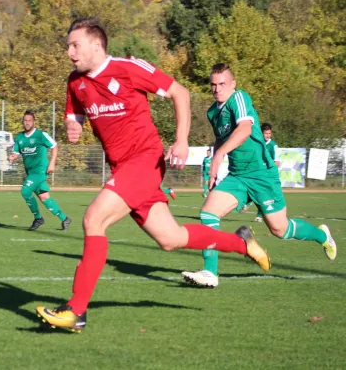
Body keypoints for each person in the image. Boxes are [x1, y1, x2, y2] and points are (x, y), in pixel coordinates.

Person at [35, 18, 271, 333]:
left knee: (93, 219)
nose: (69, 52)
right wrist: (73, 126)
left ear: (96, 44)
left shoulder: (128, 68)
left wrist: (182, 140)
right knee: (170, 239)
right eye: (68, 46)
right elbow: (73, 114)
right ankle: (242, 243)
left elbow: (180, 93)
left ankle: (76, 310)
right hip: (123, 167)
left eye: (75, 45)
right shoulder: (74, 82)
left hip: (144, 161)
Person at [181, 63, 337, 288]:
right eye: (213, 85)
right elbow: (220, 139)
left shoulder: (239, 98)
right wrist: (217, 164)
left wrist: (218, 157)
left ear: (232, 84)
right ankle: (210, 272)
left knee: (279, 229)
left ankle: (322, 236)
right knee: (208, 213)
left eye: (222, 84)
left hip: (262, 175)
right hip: (238, 175)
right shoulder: (213, 112)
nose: (217, 89)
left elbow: (244, 129)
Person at [8, 111, 71, 231]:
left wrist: (52, 163)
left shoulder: (41, 135)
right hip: (30, 172)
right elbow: (16, 152)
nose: (27, 123)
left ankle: (38, 218)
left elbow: (54, 146)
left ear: (34, 122)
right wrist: (12, 157)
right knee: (44, 197)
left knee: (25, 191)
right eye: (25, 120)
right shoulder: (20, 137)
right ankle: (65, 219)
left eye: (29, 120)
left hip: (41, 171)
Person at [240, 123, 280, 222]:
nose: (268, 135)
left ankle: (258, 214)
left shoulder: (273, 146)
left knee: (264, 195)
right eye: (266, 133)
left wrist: (270, 171)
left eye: (269, 133)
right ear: (261, 133)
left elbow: (277, 162)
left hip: (267, 174)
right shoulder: (257, 143)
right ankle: (248, 203)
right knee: (257, 191)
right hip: (256, 172)